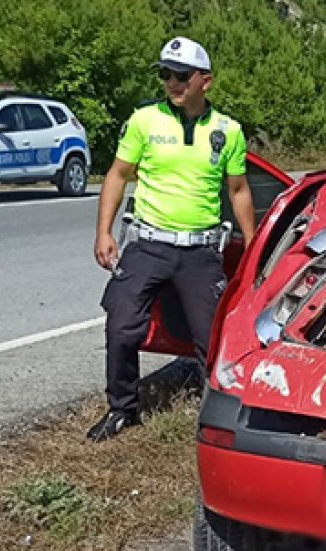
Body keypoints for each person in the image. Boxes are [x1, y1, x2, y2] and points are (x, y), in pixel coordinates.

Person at [88, 36, 255, 442]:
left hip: (199, 250)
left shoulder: (227, 131)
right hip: (148, 244)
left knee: (211, 340)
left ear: (205, 81)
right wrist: (104, 231)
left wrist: (253, 245)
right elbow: (116, 174)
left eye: (181, 75)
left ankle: (218, 415)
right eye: (165, 74)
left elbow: (238, 191)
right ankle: (123, 409)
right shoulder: (145, 121)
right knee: (122, 326)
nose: (172, 82)